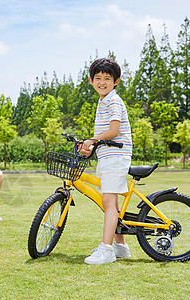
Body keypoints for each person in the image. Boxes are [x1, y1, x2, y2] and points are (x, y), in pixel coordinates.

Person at [80, 58, 133, 265]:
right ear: (91, 81)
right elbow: (105, 136)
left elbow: (113, 131)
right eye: (98, 78)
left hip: (116, 157)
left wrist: (92, 140)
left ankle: (107, 250)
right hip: (109, 156)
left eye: (107, 78)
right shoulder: (103, 100)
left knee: (108, 203)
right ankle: (121, 246)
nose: (102, 82)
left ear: (116, 81)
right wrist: (91, 146)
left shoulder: (113, 100)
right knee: (114, 203)